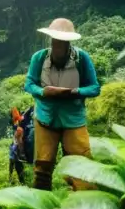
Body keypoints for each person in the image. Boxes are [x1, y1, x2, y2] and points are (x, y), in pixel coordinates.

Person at [23, 18, 101, 191]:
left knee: (81, 165)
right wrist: (44, 92)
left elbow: (95, 88)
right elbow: (29, 84)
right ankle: (42, 207)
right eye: (55, 40)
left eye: (62, 41)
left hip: (73, 119)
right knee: (42, 167)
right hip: (46, 118)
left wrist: (75, 92)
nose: (58, 45)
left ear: (69, 42)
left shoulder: (82, 59)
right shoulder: (39, 58)